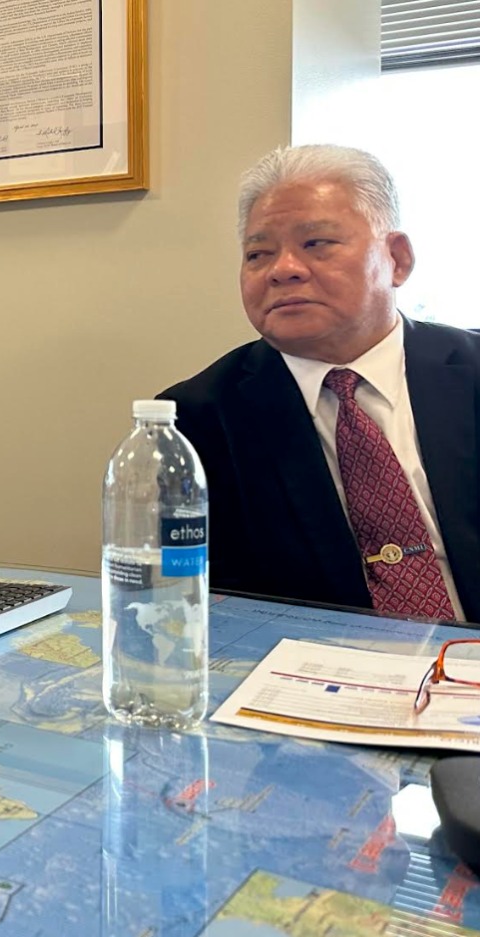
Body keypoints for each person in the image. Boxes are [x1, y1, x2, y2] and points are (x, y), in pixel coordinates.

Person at [161, 144, 480, 620]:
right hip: (312, 676)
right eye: (257, 253)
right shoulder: (195, 421)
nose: (283, 268)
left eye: (317, 244)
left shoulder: (470, 373)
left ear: (397, 259)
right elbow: (188, 606)